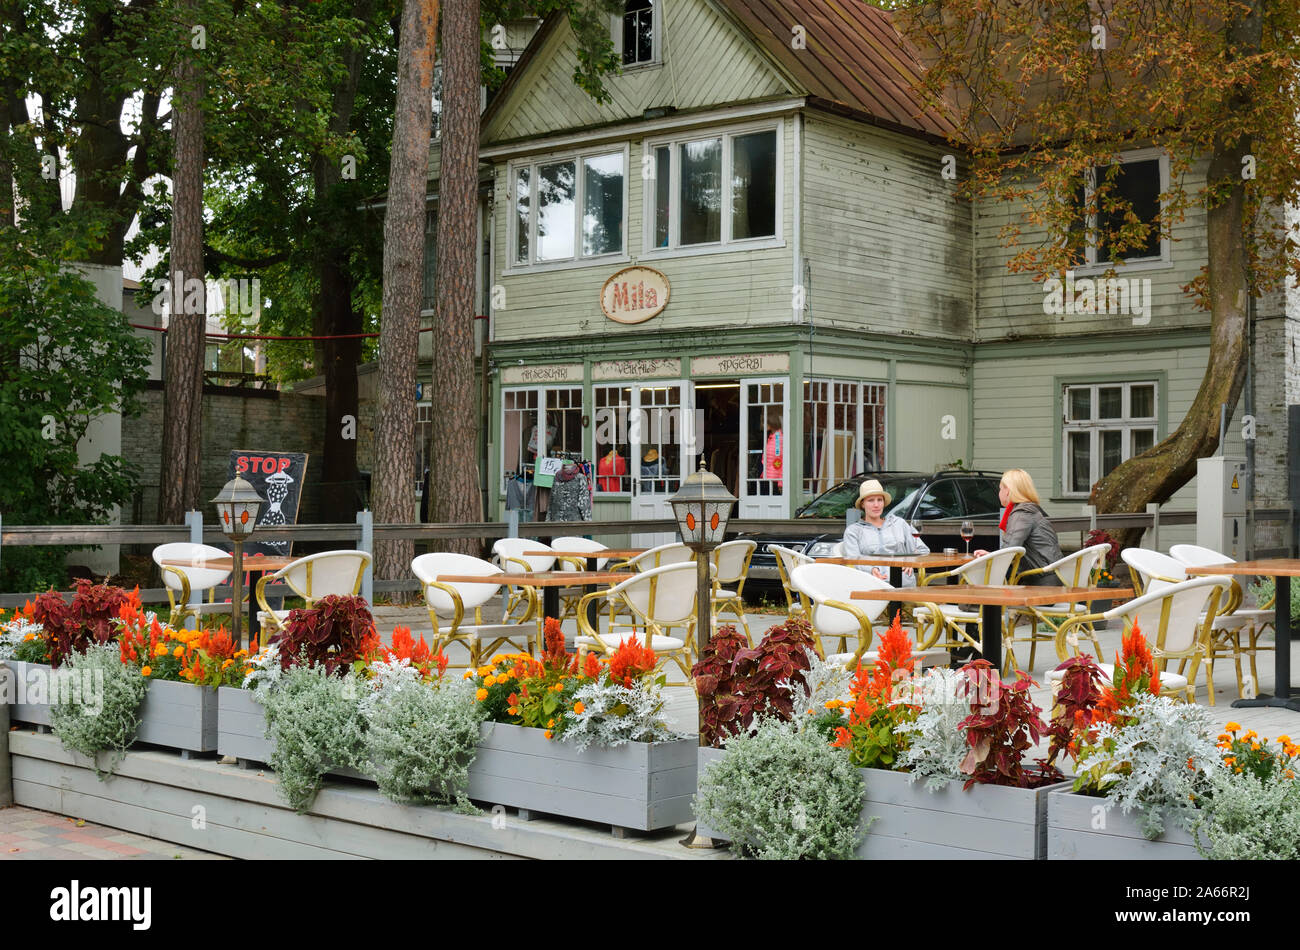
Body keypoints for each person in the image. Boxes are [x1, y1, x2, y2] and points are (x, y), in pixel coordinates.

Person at [973, 468, 1061, 584]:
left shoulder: (1022, 514)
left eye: (1000, 489)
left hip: (1041, 583)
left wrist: (991, 556)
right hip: (1051, 577)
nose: (999, 493)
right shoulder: (1031, 511)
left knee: (980, 582)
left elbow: (1009, 551)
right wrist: (992, 554)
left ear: (1007, 491)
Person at [843, 479, 928, 586]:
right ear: (862, 504)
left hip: (904, 584)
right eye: (871, 500)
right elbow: (853, 560)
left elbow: (923, 550)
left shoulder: (899, 524)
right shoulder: (853, 531)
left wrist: (910, 560)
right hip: (873, 584)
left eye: (879, 500)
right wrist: (871, 569)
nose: (876, 505)